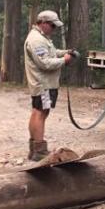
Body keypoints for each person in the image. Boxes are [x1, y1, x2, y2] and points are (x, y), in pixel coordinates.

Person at [23, 10, 75, 161]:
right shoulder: (36, 40)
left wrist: (66, 53)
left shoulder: (42, 37)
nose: (54, 29)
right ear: (44, 23)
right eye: (52, 26)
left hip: (45, 83)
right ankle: (39, 149)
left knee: (39, 112)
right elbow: (45, 63)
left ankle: (35, 148)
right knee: (40, 113)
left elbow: (50, 53)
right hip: (43, 84)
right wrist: (64, 60)